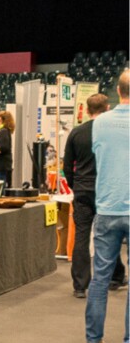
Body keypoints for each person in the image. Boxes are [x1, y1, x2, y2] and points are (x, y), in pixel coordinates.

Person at [62, 93, 127, 299]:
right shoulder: (111, 132)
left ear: (87, 110)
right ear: (107, 108)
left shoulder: (76, 132)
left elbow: (67, 166)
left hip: (83, 190)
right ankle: (116, 276)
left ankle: (80, 285)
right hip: (105, 190)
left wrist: (75, 186)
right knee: (110, 234)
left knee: (82, 236)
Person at [84, 69, 130, 343]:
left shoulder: (99, 122)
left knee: (100, 277)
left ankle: (93, 338)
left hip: (107, 207)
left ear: (118, 90)